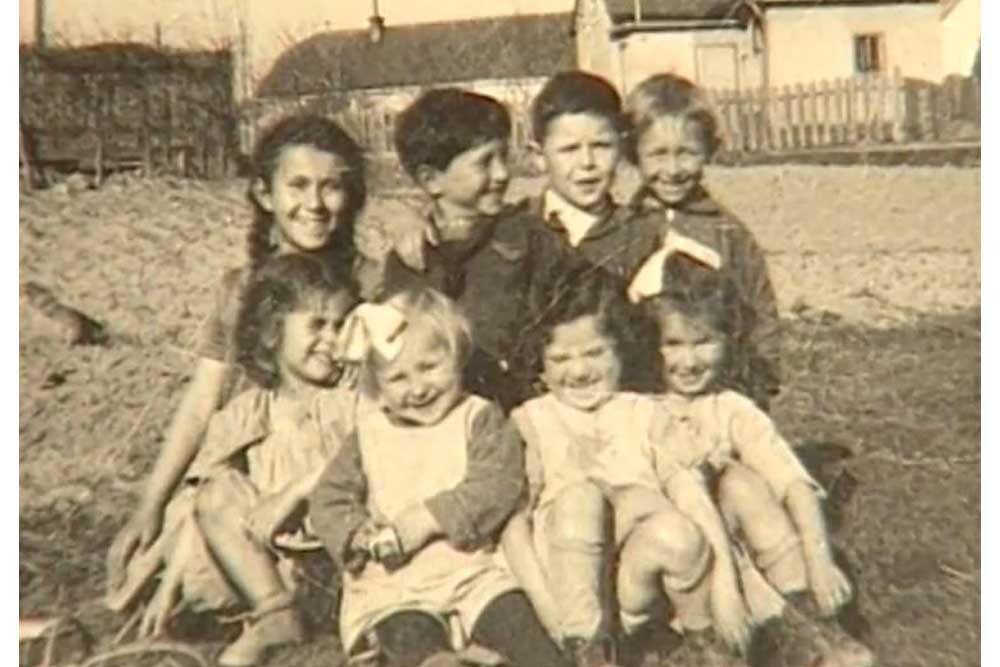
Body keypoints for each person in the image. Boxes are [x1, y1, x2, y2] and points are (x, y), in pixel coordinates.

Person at [105, 114, 424, 595]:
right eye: (297, 186)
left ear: (352, 198)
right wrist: (149, 503)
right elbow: (200, 404)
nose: (314, 204)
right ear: (264, 194)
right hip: (260, 454)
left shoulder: (375, 283)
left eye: (331, 188)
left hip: (341, 459)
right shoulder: (243, 289)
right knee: (166, 547)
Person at [106, 254, 361, 666]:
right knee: (213, 494)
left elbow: (367, 454)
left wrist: (297, 490)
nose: (331, 340)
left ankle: (287, 614)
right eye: (317, 325)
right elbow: (204, 505)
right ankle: (276, 611)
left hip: (337, 558)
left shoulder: (348, 402)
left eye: (341, 326)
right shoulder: (248, 411)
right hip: (272, 564)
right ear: (273, 333)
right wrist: (170, 586)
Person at [500, 267, 751, 667]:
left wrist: (725, 589)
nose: (579, 371)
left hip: (632, 586)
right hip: (566, 587)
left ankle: (701, 643)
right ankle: (588, 650)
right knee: (582, 498)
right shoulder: (532, 421)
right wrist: (552, 616)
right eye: (560, 358)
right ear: (540, 367)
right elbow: (514, 527)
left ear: (621, 348)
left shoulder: (643, 412)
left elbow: (692, 496)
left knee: (676, 531)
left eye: (595, 353)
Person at [309, 287, 570, 667]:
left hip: (472, 573)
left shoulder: (478, 418)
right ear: (376, 385)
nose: (417, 389)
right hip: (396, 583)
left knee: (524, 633)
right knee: (409, 637)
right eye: (397, 378)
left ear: (457, 358)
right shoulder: (368, 434)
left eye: (430, 367)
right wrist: (357, 532)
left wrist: (429, 519)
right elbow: (328, 499)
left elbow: (496, 484)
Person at [637, 251, 874, 667]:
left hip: (739, 552)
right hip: (676, 572)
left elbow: (793, 482)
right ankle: (747, 636)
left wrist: (819, 561)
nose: (689, 362)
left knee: (741, 482)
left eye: (704, 342)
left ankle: (805, 621)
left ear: (729, 341)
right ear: (649, 346)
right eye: (673, 344)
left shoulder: (730, 408)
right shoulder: (637, 409)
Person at [364, 87, 569, 410]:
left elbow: (569, 311)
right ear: (432, 180)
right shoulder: (408, 259)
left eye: (503, 156)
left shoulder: (529, 238)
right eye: (484, 163)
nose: (502, 174)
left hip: (521, 407)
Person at [624, 72, 781, 409]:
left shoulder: (727, 233)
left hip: (716, 393)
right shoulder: (624, 229)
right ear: (634, 154)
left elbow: (760, 311)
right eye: (657, 154)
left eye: (687, 153)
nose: (673, 168)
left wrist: (759, 386)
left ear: (707, 151)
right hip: (642, 398)